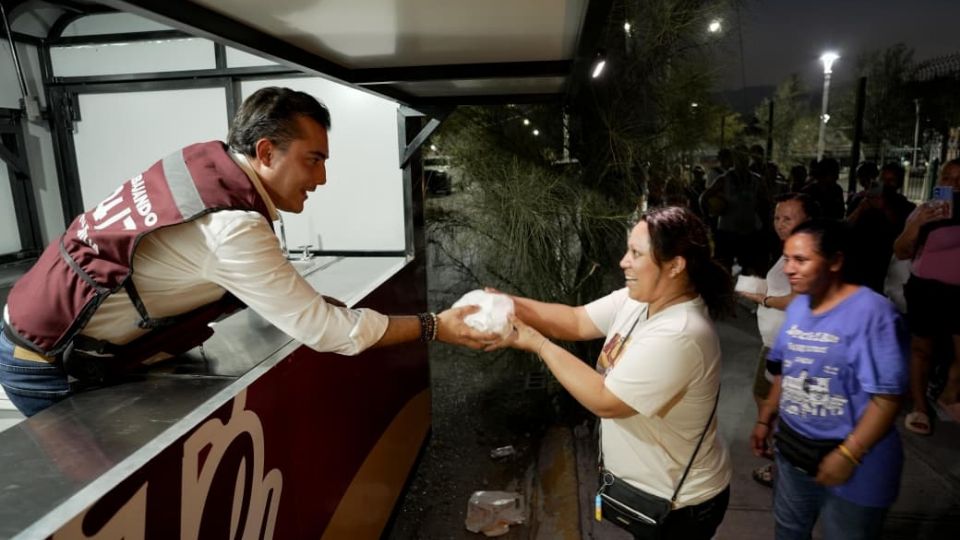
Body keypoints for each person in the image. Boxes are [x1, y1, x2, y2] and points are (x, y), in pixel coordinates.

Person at [0, 87, 496, 417]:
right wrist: (437, 326)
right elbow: (328, 334)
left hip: (34, 327)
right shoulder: (232, 225)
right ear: (264, 153)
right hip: (44, 361)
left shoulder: (201, 168)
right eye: (313, 160)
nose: (321, 178)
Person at [492, 206, 733, 540]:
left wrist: (537, 343)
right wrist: (507, 304)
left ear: (676, 265)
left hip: (680, 507)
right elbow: (576, 320)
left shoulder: (680, 332)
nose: (624, 261)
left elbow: (607, 401)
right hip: (653, 490)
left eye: (636, 253)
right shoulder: (641, 300)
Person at [751, 219, 909, 540]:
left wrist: (849, 454)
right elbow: (787, 369)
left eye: (801, 260)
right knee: (789, 531)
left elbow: (888, 398)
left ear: (835, 261)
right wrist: (766, 418)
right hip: (794, 453)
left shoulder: (872, 313)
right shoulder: (799, 308)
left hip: (857, 463)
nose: (789, 270)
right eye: (787, 259)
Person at [738, 193, 820, 487]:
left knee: (782, 405)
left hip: (790, 344)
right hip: (775, 341)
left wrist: (764, 298)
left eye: (789, 218)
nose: (781, 224)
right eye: (777, 218)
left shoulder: (808, 251)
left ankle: (784, 465)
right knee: (766, 396)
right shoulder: (791, 247)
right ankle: (779, 455)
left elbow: (800, 299)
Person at [894, 158, 960, 435]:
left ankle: (948, 393)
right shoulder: (925, 212)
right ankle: (920, 407)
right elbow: (901, 251)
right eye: (948, 179)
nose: (954, 186)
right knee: (922, 348)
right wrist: (919, 223)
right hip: (927, 289)